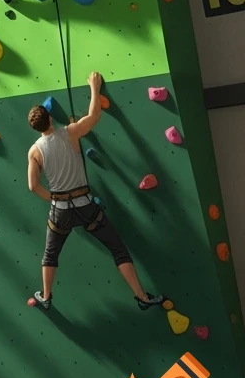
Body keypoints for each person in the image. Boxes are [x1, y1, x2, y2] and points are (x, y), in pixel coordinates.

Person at [27, 72, 164, 311]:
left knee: (50, 255)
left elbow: (33, 186)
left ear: (35, 127)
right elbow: (94, 116)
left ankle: (46, 296)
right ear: (49, 119)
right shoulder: (70, 132)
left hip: (60, 210)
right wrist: (94, 87)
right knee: (118, 250)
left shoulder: (34, 151)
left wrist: (53, 197)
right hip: (86, 206)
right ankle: (142, 297)